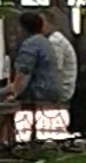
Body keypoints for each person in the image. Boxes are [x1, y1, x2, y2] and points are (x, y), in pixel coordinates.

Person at [9, 8, 76, 136]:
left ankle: (4, 136)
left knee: (1, 96)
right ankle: (6, 135)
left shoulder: (53, 42)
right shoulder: (46, 41)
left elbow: (30, 71)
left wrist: (15, 91)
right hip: (52, 86)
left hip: (54, 88)